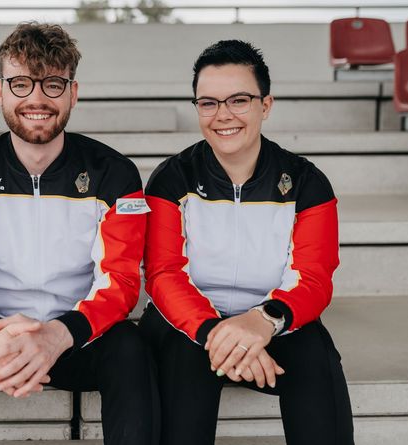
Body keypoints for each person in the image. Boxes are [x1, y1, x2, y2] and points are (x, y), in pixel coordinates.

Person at [0, 22, 156, 445]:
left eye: (53, 84)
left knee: (130, 348)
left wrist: (57, 336)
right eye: (21, 84)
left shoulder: (114, 173)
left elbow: (122, 282)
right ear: (0, 91)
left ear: (73, 92)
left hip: (76, 336)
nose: (36, 99)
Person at [140, 39, 354, 445]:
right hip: (188, 325)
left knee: (316, 363)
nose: (223, 116)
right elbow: (164, 274)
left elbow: (314, 277)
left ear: (265, 105)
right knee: (184, 369)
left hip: (274, 319)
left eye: (238, 100)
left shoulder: (307, 182)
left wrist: (263, 322)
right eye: (208, 103)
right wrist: (218, 335)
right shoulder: (171, 179)